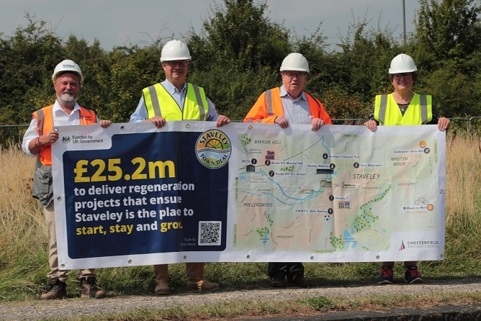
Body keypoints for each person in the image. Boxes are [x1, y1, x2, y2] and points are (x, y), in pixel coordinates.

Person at [130, 39, 230, 295]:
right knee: (163, 222)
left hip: (195, 170)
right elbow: (133, 124)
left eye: (182, 63)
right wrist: (148, 121)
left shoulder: (199, 93)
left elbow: (212, 118)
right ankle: (162, 279)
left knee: (196, 220)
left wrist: (219, 119)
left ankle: (195, 277)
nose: (178, 67)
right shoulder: (149, 94)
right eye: (172, 63)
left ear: (188, 65)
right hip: (162, 170)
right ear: (163, 66)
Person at [22, 59, 111, 299]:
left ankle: (88, 281)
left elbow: (103, 145)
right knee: (55, 234)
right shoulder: (41, 116)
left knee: (86, 230)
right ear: (55, 85)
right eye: (64, 82)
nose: (68, 87)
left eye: (73, 83)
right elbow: (26, 146)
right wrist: (41, 141)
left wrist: (105, 128)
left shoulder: (89, 115)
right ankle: (57, 282)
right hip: (51, 182)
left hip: (83, 181)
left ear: (79, 86)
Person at [244, 52, 332, 288]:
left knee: (301, 220)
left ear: (306, 78)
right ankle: (276, 272)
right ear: (282, 75)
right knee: (276, 219)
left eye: (300, 75)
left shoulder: (313, 102)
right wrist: (269, 121)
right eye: (291, 74)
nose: (295, 78)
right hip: (275, 171)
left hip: (304, 171)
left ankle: (296, 270)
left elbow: (331, 131)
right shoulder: (268, 98)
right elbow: (248, 124)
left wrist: (321, 124)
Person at [364, 53, 450, 285]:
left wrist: (442, 125)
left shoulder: (426, 103)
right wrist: (369, 124)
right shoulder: (380, 103)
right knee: (388, 219)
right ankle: (386, 268)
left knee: (414, 218)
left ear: (413, 78)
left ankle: (412, 267)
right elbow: (369, 129)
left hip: (417, 174)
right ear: (391, 79)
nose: (402, 79)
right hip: (388, 174)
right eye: (397, 75)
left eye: (406, 75)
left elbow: (436, 133)